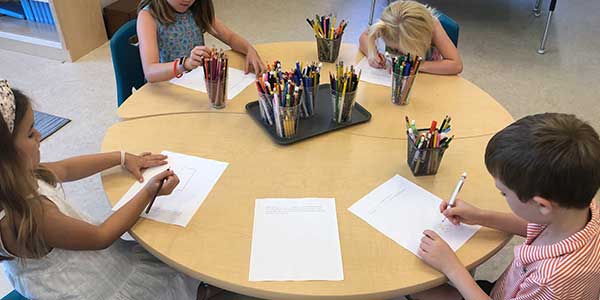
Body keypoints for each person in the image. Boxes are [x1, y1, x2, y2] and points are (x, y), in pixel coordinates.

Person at [0, 80, 220, 299]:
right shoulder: (35, 214)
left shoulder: (14, 180)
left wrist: (122, 157)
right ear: (6, 155)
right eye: (30, 133)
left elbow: (66, 168)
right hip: (94, 288)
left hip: (80, 272)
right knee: (176, 267)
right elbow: (101, 236)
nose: (39, 135)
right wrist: (148, 192)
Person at [412, 113, 600, 299]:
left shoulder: (550, 280)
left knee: (416, 286)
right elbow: (536, 226)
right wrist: (480, 216)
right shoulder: (578, 207)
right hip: (508, 290)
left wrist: (451, 267)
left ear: (542, 205)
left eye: (504, 193)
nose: (502, 196)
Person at [137, 0, 266, 82]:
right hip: (167, 87)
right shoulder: (148, 16)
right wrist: (185, 64)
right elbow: (150, 72)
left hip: (196, 83)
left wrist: (249, 50)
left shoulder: (196, 8)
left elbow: (230, 37)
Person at [358, 0, 462, 75]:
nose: (398, 52)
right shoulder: (390, 24)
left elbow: (456, 65)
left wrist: (416, 66)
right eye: (394, 49)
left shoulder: (433, 26)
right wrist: (372, 55)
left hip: (429, 82)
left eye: (399, 50)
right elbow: (365, 36)